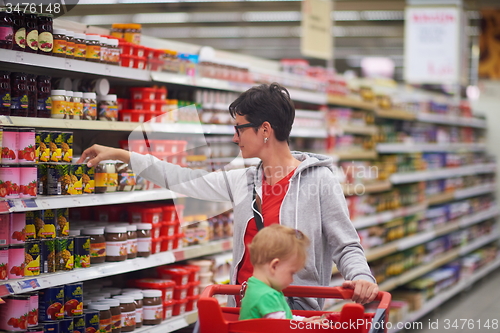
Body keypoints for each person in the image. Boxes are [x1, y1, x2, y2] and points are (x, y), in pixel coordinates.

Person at [77, 83, 378, 310]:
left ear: (264, 130)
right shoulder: (243, 180)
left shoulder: (319, 181)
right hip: (245, 306)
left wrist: (363, 277)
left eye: (239, 128)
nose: (234, 137)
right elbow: (184, 179)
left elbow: (346, 243)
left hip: (294, 313)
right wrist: (123, 155)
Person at [239, 224, 321, 321]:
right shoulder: (267, 295)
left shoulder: (254, 286)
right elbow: (282, 327)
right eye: (291, 273)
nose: (292, 280)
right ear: (274, 266)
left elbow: (283, 318)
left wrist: (303, 321)